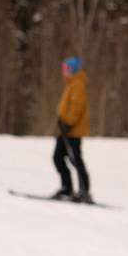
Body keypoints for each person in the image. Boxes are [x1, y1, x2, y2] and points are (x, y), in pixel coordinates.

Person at [54, 56, 92, 203]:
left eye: (65, 68)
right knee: (58, 158)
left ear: (72, 70)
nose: (63, 71)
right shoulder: (71, 84)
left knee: (75, 159)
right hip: (64, 130)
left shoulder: (77, 85)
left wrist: (68, 123)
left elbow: (77, 107)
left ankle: (84, 191)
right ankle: (67, 188)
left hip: (72, 131)